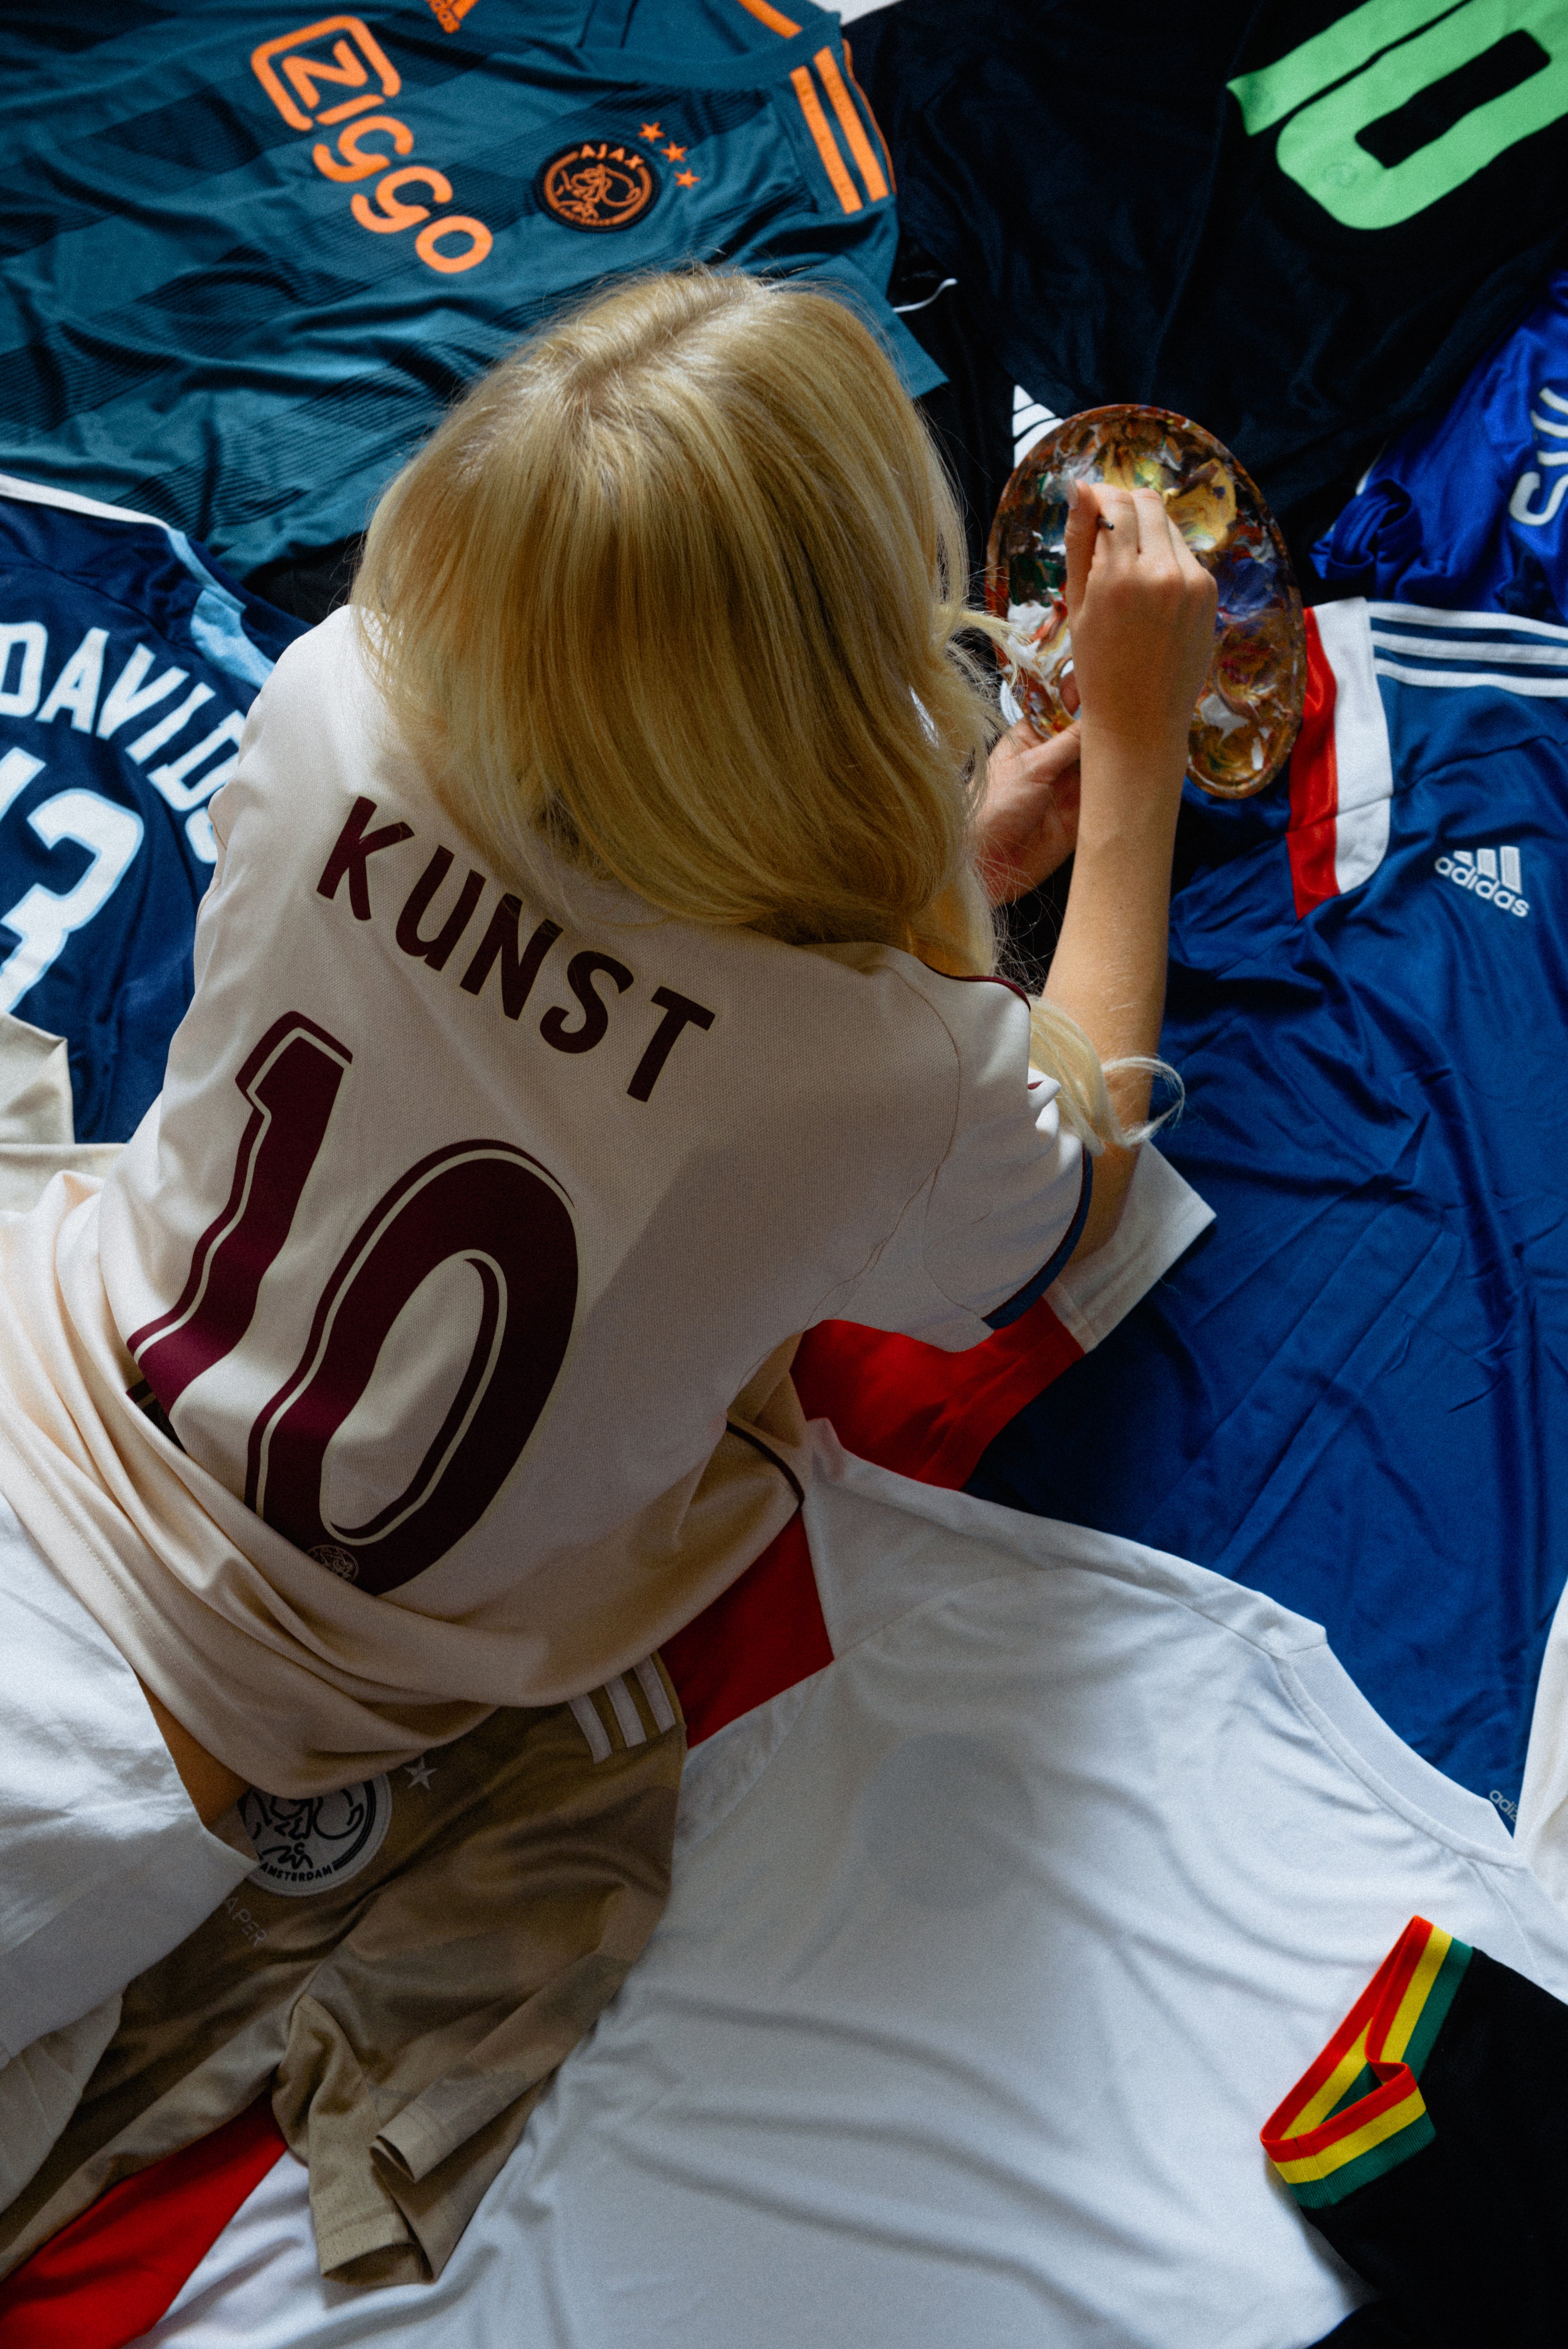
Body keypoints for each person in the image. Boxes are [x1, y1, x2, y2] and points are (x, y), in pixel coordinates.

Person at [0, 270, 1215, 2106]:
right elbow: (1075, 1185)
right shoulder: (874, 1068)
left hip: (53, 1388)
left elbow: (561, 966)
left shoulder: (333, 695)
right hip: (147, 1723)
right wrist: (1135, 768)